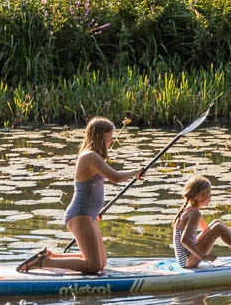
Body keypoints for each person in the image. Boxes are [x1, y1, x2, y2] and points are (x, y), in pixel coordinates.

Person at [19, 117, 144, 275]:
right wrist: (135, 172)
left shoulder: (95, 156)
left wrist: (95, 210)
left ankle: (51, 256)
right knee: (93, 266)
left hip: (88, 215)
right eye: (109, 137)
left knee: (101, 262)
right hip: (80, 214)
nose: (112, 141)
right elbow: (116, 178)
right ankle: (43, 262)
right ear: (100, 137)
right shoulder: (90, 157)